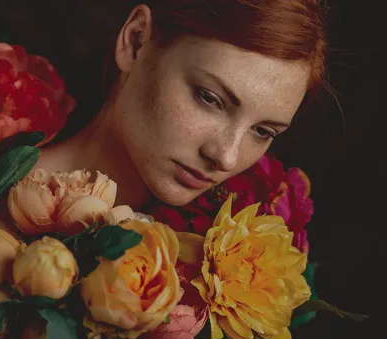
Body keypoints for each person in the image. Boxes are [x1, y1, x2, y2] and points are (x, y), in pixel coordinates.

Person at [35, 0, 328, 210]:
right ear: (135, 42)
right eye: (209, 98)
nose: (226, 158)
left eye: (262, 131)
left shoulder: (224, 268)